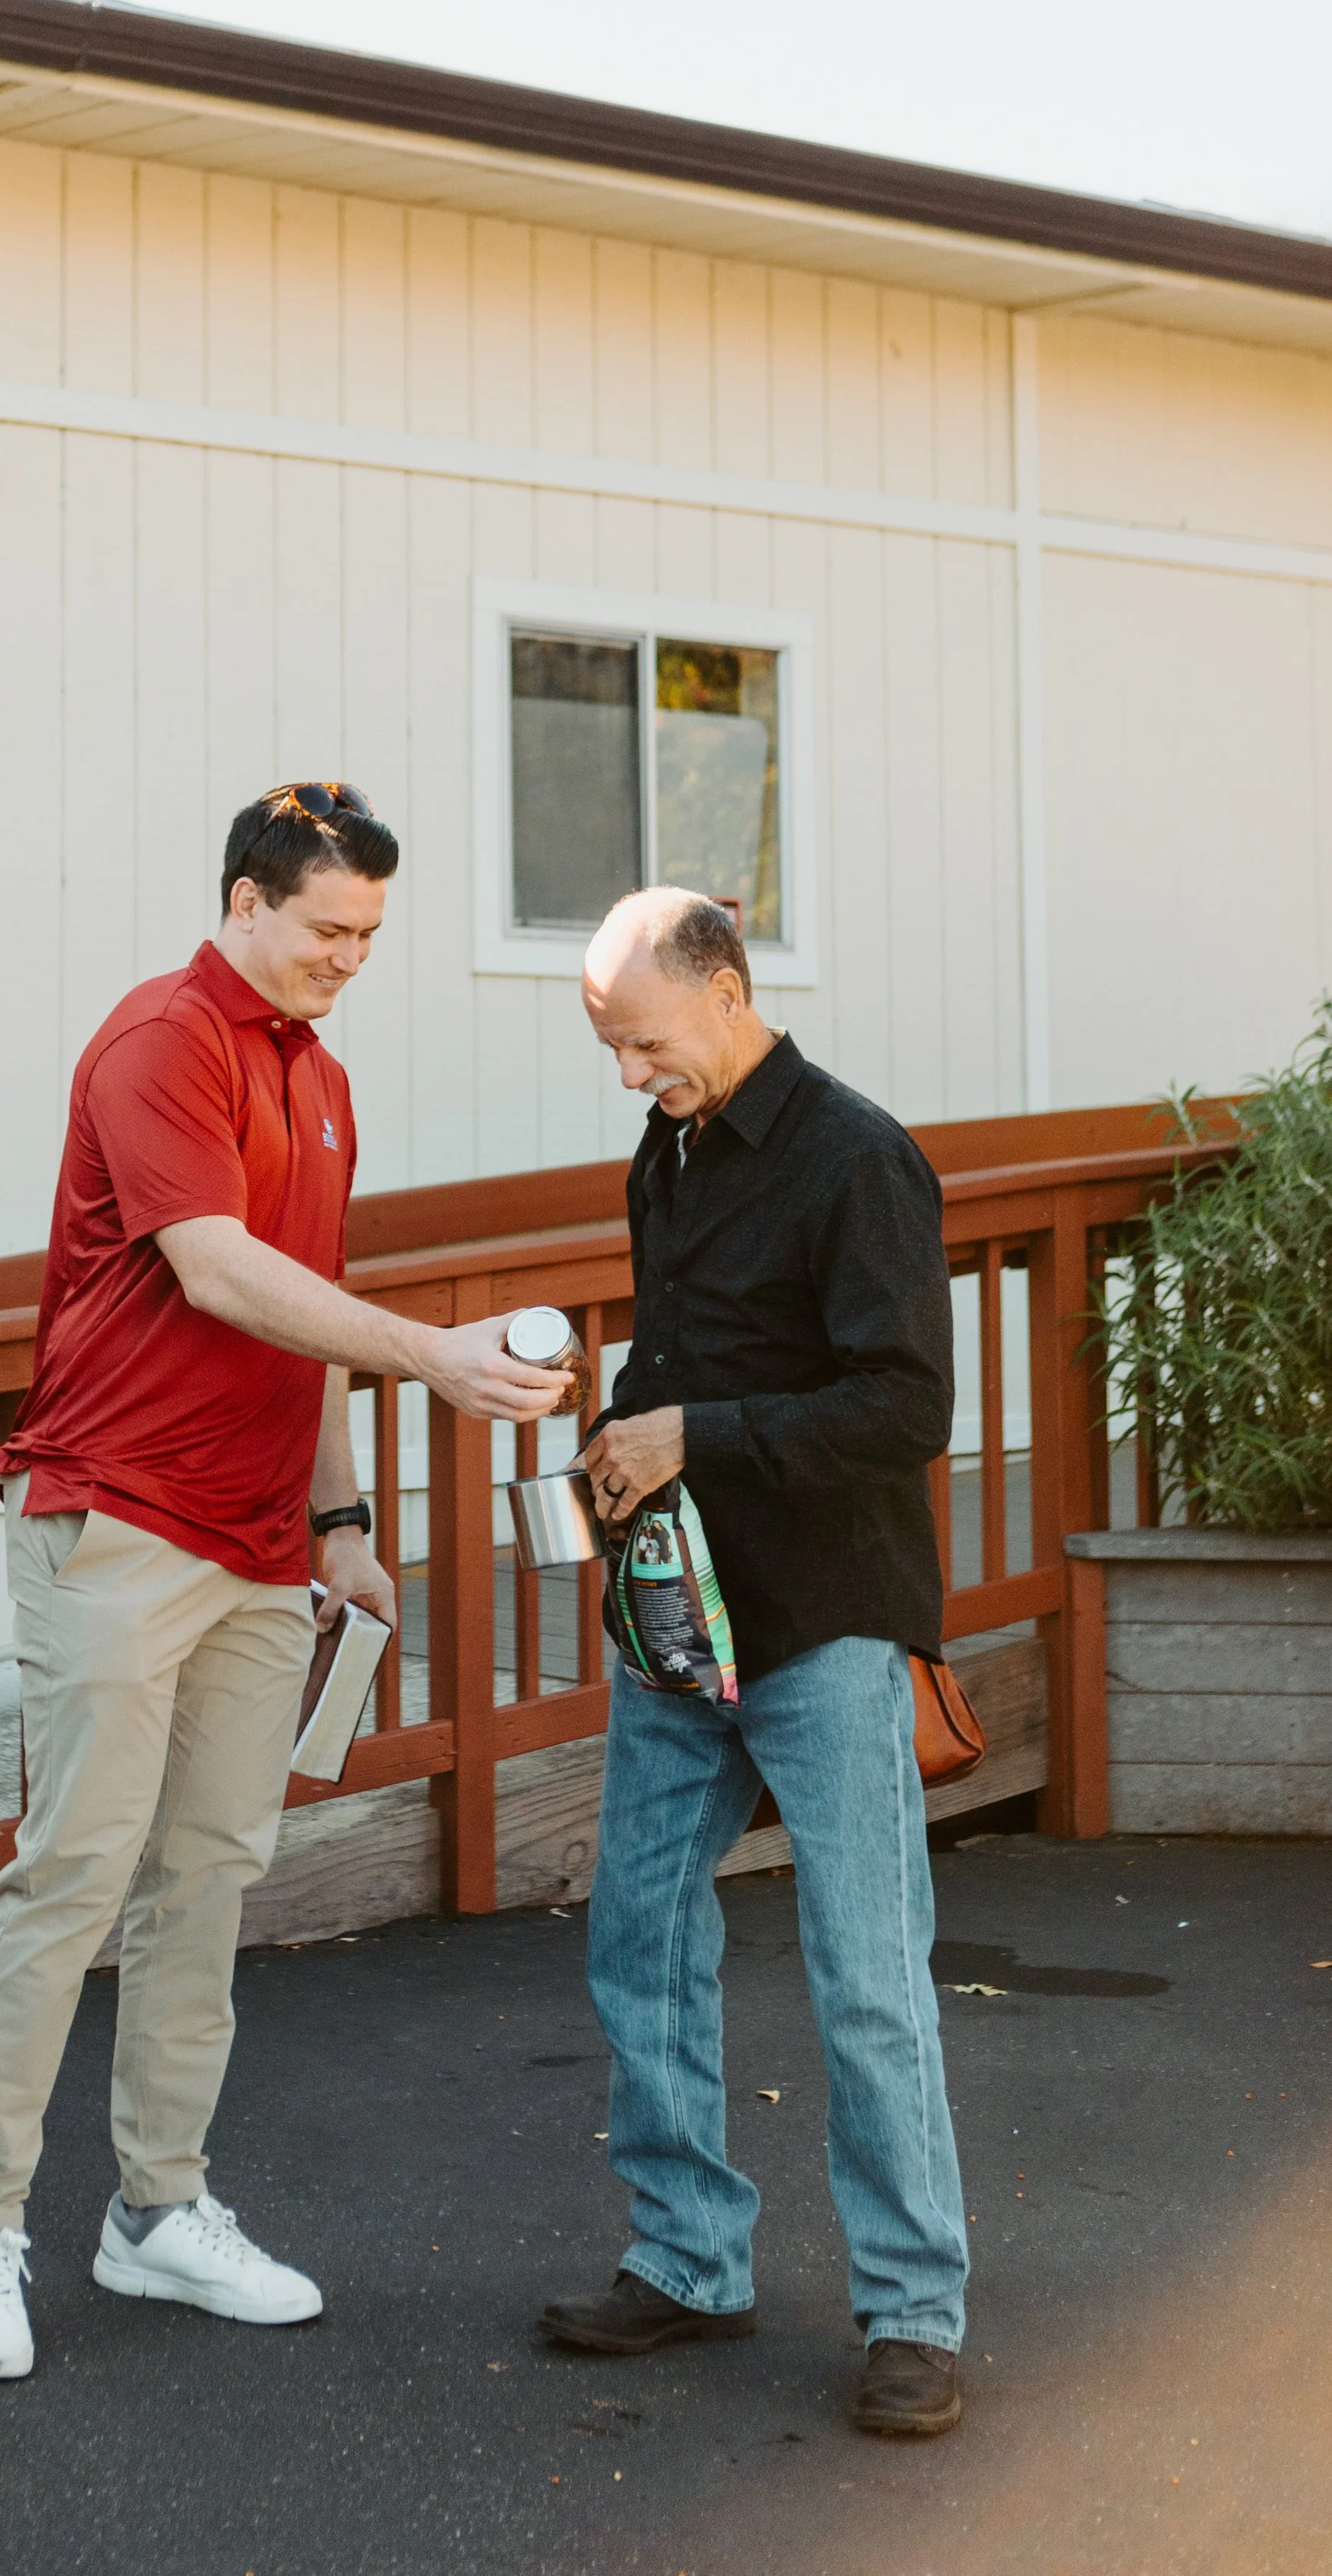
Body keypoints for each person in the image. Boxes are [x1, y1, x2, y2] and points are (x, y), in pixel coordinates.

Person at [0, 784, 561, 2379]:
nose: (348, 959)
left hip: (264, 1546)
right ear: (243, 899)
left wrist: (340, 1516)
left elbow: (298, 1305)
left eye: (369, 938)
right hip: (117, 1524)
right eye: (326, 928)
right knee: (66, 1879)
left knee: (206, 1881)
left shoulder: (323, 1077)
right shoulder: (160, 1040)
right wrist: (435, 1358)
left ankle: (156, 2214)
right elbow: (211, 1266)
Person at [538, 891, 968, 2440]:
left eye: (642, 1040)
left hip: (823, 1625)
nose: (627, 1073)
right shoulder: (667, 1146)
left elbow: (902, 1411)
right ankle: (687, 2257)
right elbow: (695, 1347)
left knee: (865, 1980)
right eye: (608, 1046)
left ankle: (914, 2315)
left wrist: (689, 1434)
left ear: (726, 990)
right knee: (633, 1942)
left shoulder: (861, 1158)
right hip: (674, 1621)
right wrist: (614, 1418)